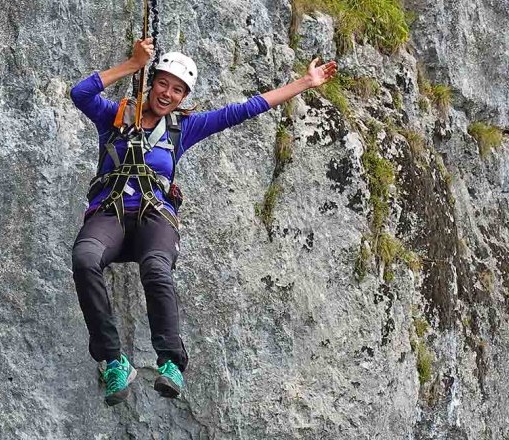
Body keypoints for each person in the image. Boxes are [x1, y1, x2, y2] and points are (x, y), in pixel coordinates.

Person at [70, 38, 337, 406]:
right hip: (110, 213)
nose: (167, 93)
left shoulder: (184, 128)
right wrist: (132, 64)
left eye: (177, 90)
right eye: (163, 83)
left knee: (156, 268)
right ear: (151, 82)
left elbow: (244, 110)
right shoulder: (114, 116)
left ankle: (170, 362)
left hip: (153, 217)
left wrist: (305, 82)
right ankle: (113, 361)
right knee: (84, 259)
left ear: (184, 97)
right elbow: (80, 93)